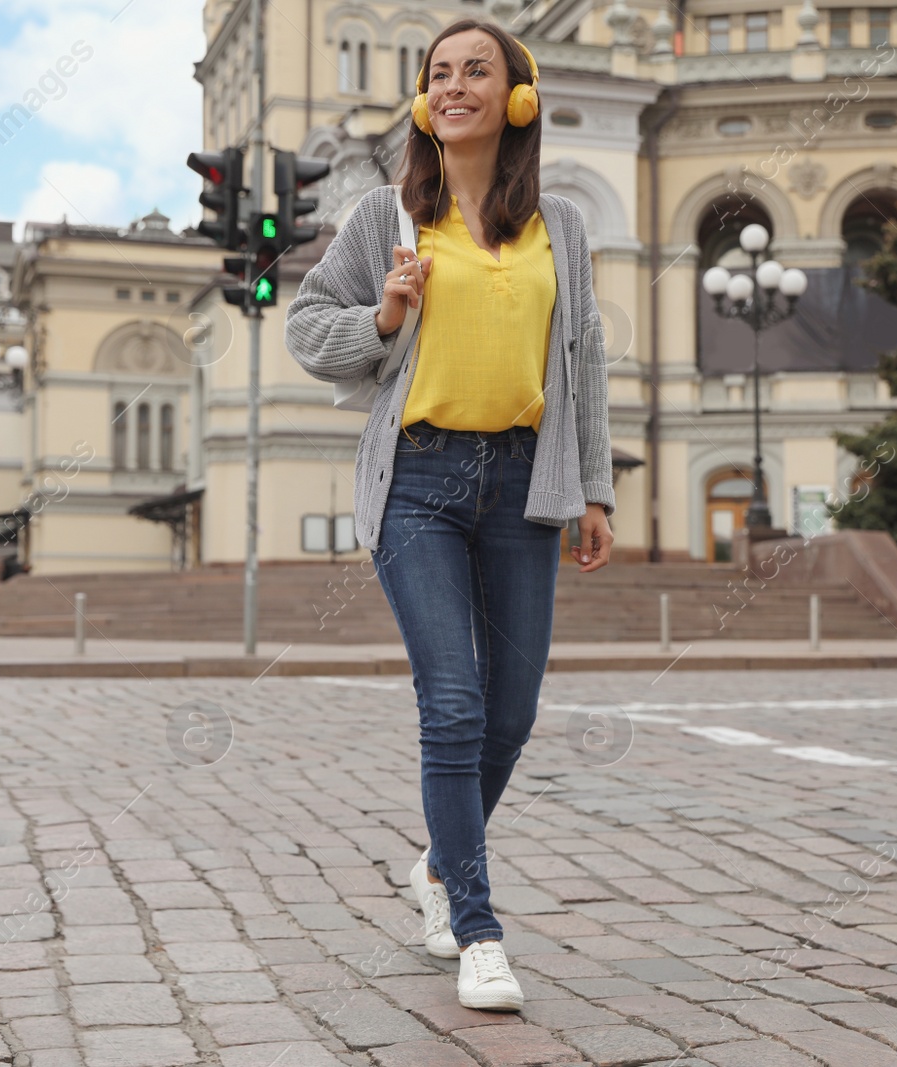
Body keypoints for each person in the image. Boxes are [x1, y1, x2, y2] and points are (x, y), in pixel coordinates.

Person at [284, 17, 615, 1011]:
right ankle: (474, 926)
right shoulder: (381, 217)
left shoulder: (561, 223)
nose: (457, 84)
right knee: (455, 703)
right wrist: (382, 317)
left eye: (479, 70)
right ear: (426, 103)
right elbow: (307, 327)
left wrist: (593, 487)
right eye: (441, 73)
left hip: (526, 483)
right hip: (419, 481)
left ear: (517, 96)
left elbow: (585, 359)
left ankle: (435, 859)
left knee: (510, 710)